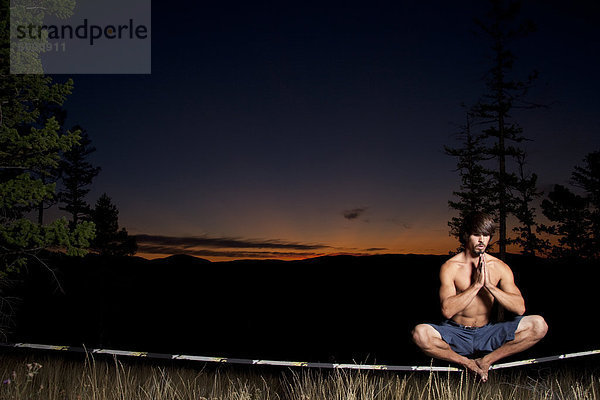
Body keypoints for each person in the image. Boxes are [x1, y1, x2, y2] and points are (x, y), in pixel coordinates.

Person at [411, 212, 548, 381]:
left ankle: (485, 361)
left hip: (487, 332)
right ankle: (467, 363)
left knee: (539, 325)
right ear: (466, 235)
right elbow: (447, 311)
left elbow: (519, 308)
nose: (482, 240)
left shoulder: (499, 267)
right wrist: (476, 285)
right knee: (420, 334)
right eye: (477, 235)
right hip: (456, 333)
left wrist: (490, 286)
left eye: (486, 235)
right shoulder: (451, 267)